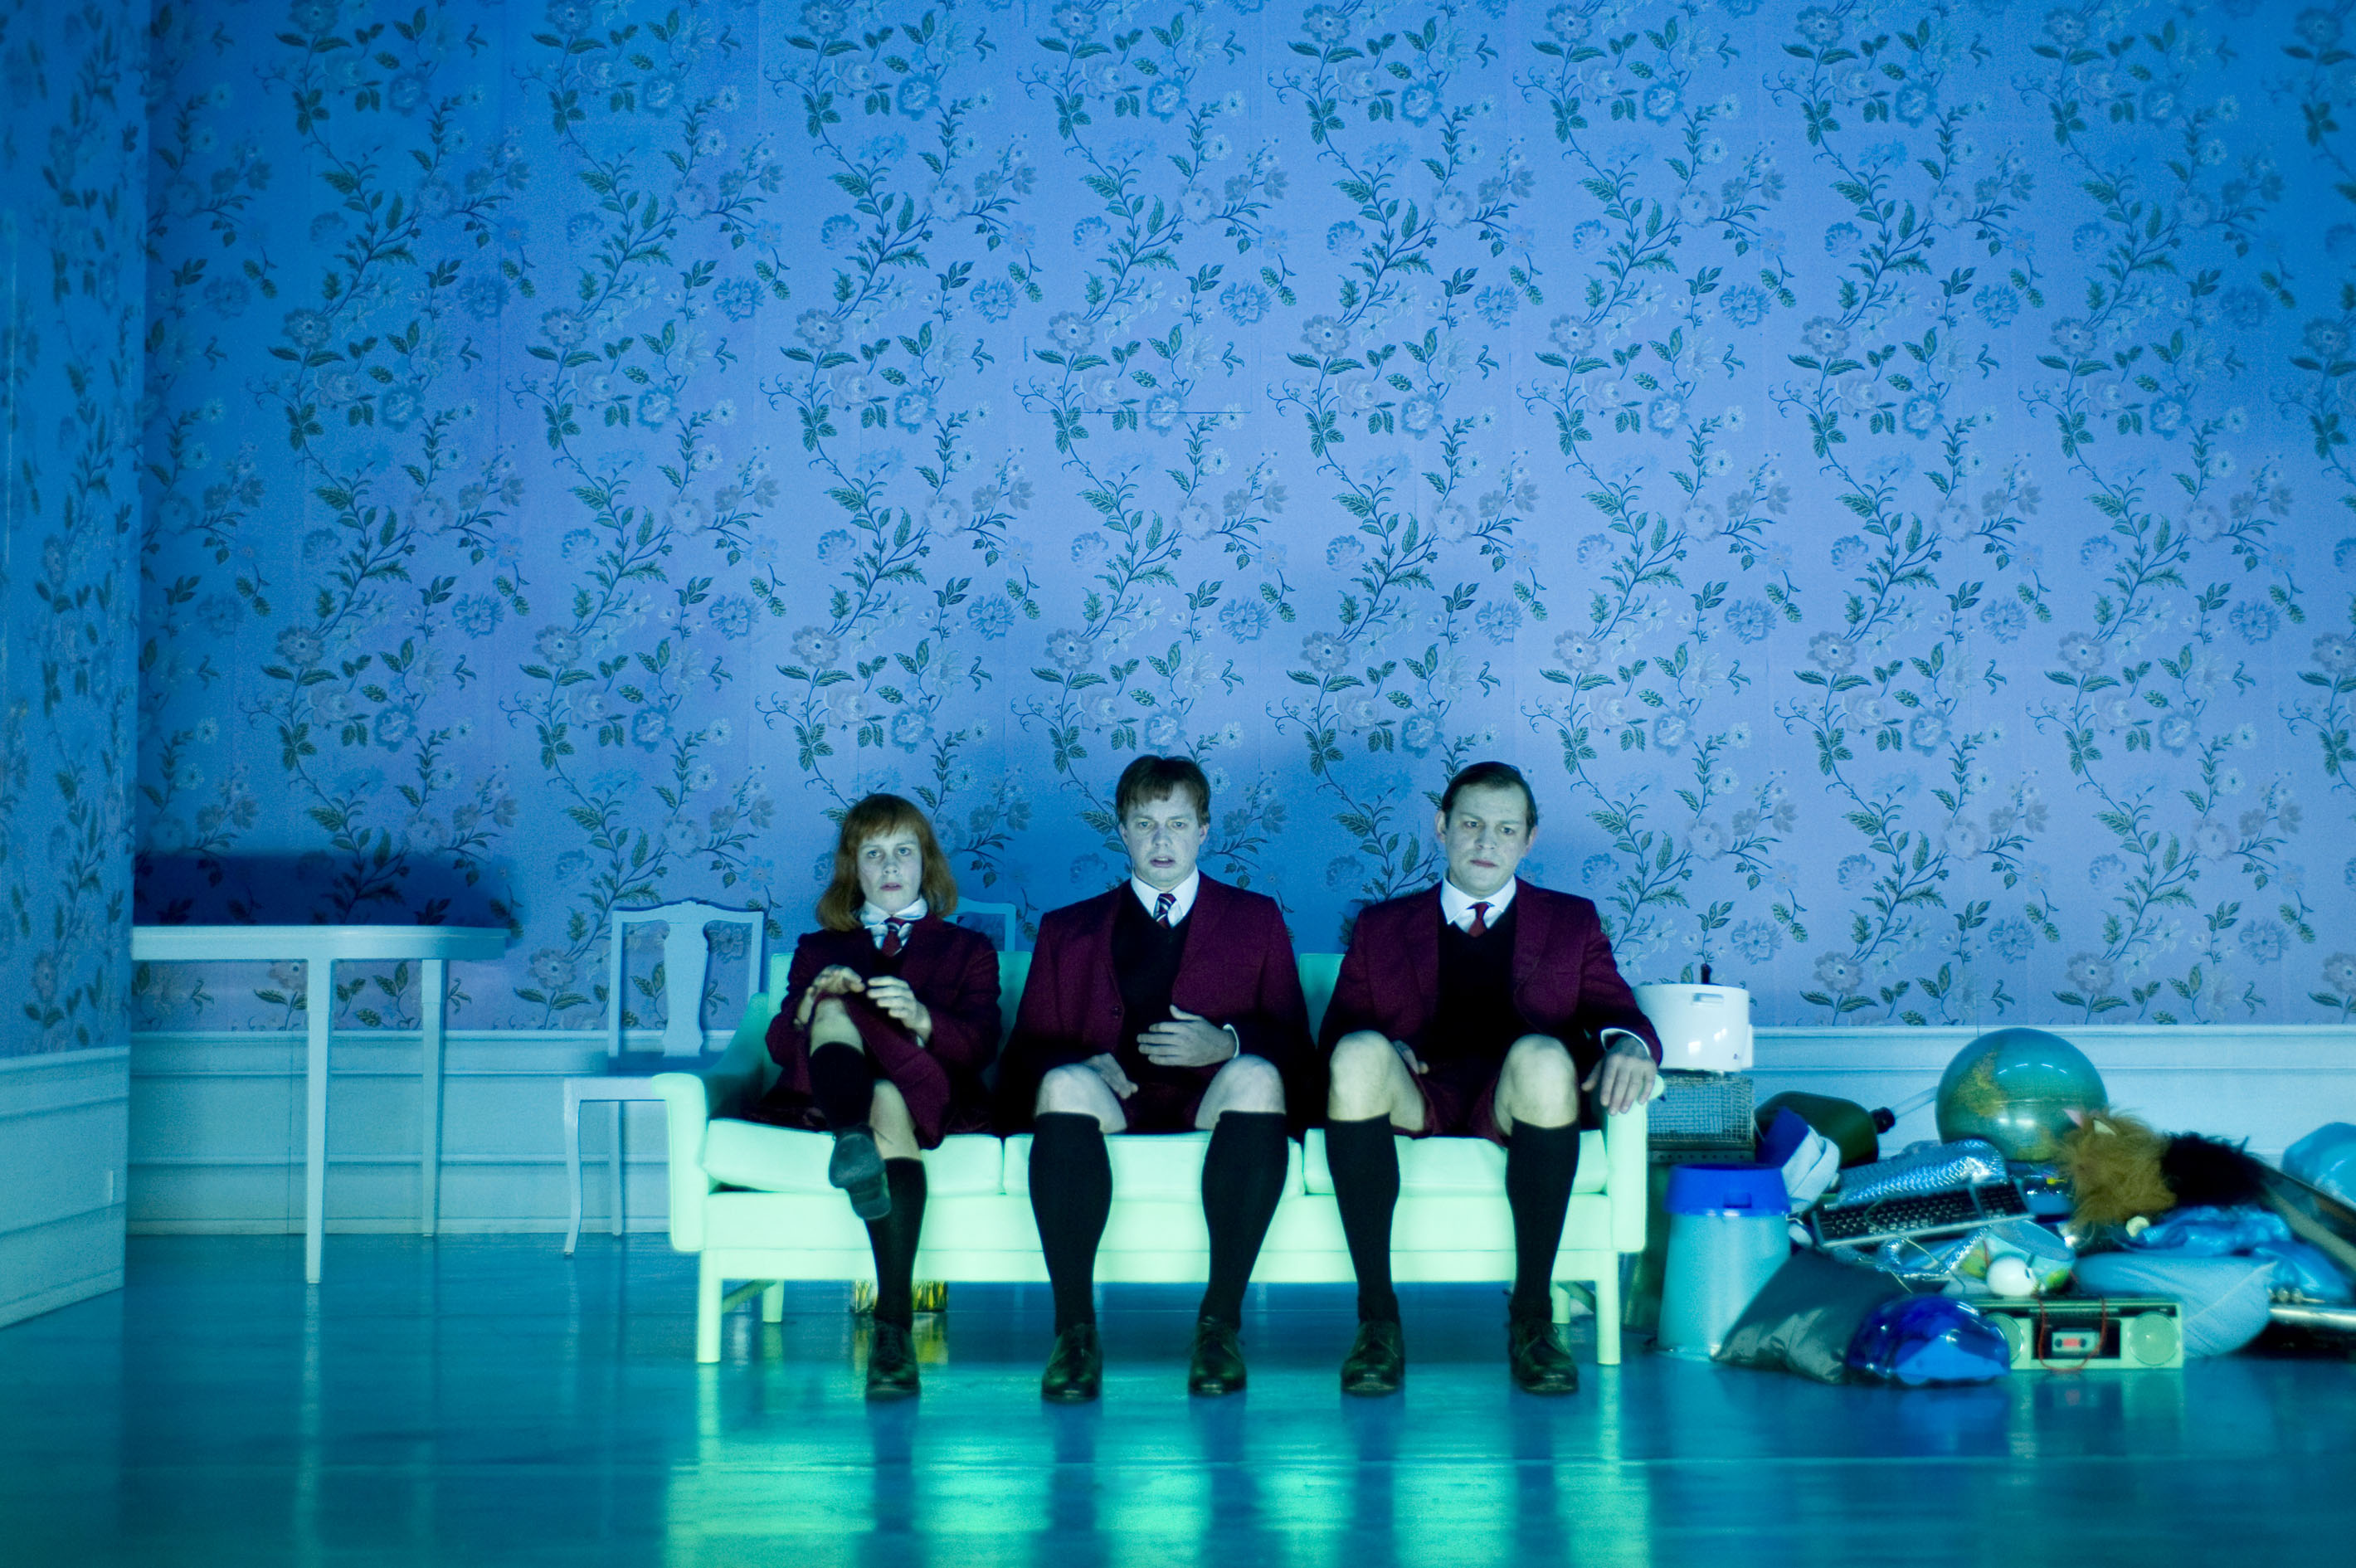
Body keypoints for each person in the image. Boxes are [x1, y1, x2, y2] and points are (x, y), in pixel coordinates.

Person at [1318, 761, 1661, 1397]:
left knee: (1544, 1055)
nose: (1486, 842)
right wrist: (1385, 1044)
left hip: (1520, 1097)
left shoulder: (1572, 921)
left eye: (1506, 829)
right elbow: (1337, 1035)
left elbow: (1620, 1013)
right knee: (1359, 1053)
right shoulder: (1381, 927)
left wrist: (1632, 1047)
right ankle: (1377, 1321)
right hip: (1418, 1092)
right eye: (1471, 824)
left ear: (1529, 840)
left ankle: (1532, 1316)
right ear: (1442, 827)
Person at [997, 755, 1317, 1401]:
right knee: (1059, 1084)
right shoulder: (1067, 929)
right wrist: (1079, 1062)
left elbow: (1299, 1055)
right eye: (1145, 824)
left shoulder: (1255, 919)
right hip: (1111, 1106)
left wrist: (1227, 1043)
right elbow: (1021, 1059)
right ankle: (1075, 1334)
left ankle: (1219, 1328)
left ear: (1204, 830)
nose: (1162, 840)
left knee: (1258, 1075)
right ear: (1122, 831)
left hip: (1213, 1103)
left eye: (1178, 823)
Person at [754, 793, 1001, 1400]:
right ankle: (893, 1331)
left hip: (931, 1087)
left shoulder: (969, 949)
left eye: (903, 852)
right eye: (873, 853)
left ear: (926, 863)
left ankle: (852, 1142)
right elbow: (781, 1049)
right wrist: (810, 1003)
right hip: (850, 1092)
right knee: (852, 1043)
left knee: (873, 1054)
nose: (890, 867)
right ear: (853, 869)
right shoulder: (817, 948)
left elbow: (980, 1048)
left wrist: (921, 1018)